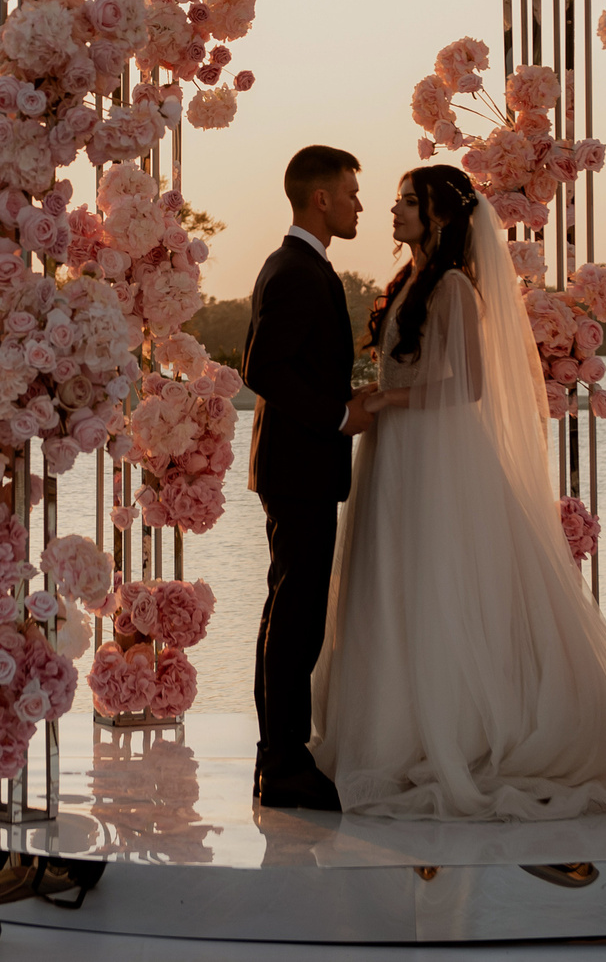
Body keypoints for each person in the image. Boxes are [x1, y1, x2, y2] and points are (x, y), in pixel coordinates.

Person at [309, 164, 606, 820]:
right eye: (398, 200)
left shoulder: (457, 287)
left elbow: (469, 384)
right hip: (396, 449)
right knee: (393, 581)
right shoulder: (409, 281)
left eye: (407, 202)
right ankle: (388, 725)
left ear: (439, 215)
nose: (393, 211)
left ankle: (451, 729)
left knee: (435, 582)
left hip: (432, 452)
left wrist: (381, 398)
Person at [241, 144, 388, 810]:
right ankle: (283, 762)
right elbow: (262, 367)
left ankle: (279, 757)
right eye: (352, 192)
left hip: (298, 466)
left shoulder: (299, 264)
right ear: (321, 197)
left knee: (291, 611)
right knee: (295, 615)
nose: (361, 203)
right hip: (299, 464)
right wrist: (337, 415)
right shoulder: (298, 270)